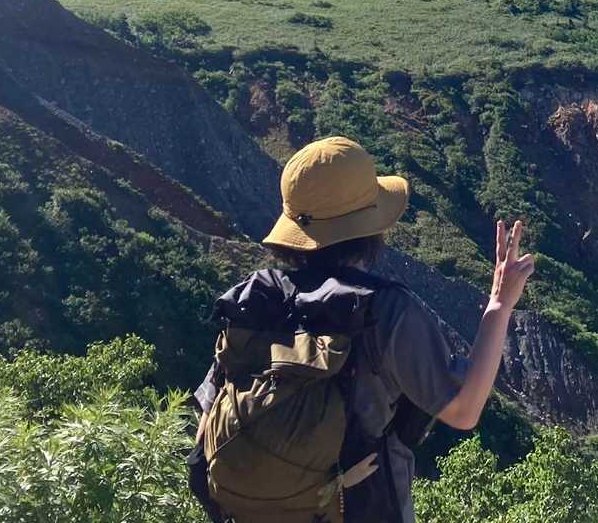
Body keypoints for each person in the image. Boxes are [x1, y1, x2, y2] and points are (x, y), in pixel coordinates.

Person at [190, 135, 535, 523]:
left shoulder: (255, 297)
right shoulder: (384, 311)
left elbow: (208, 423)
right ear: (368, 228)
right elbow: (464, 409)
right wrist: (500, 305)